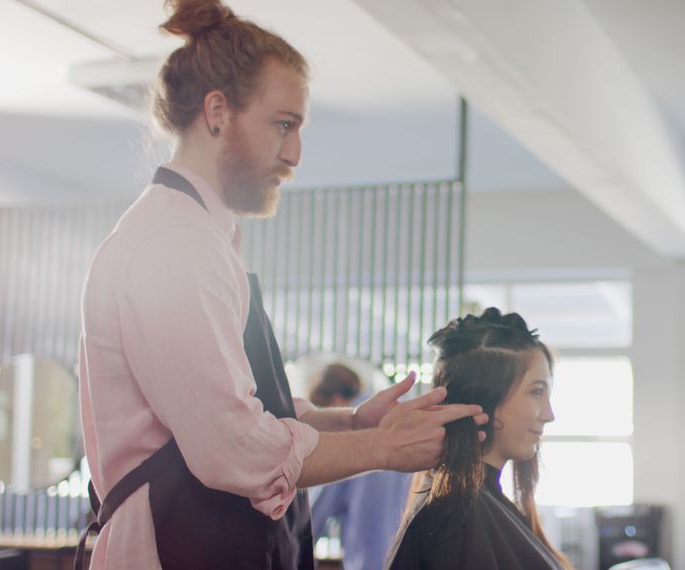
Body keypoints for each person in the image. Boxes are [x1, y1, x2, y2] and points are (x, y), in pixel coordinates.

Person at [75, 2, 486, 569]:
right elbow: (230, 447)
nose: (294, 155)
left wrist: (350, 423)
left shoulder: (202, 236)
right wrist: (382, 448)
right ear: (217, 111)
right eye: (284, 124)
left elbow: (233, 408)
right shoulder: (172, 243)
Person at [386, 308, 572, 570]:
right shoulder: (454, 520)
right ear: (485, 399)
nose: (549, 414)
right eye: (536, 392)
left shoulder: (473, 509)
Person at [307, 364, 413, 570]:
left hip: (368, 559)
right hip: (409, 555)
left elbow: (319, 512)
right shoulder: (394, 418)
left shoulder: (346, 435)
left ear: (334, 401)